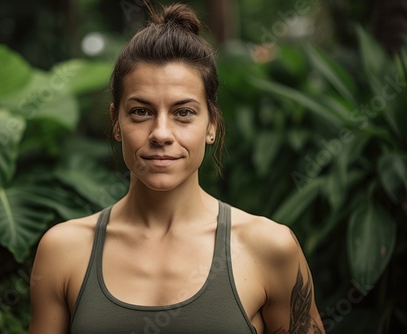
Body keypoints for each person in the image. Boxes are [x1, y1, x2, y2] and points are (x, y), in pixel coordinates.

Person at [28, 2, 325, 333]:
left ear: (211, 125)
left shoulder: (269, 248)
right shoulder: (64, 250)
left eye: (183, 113)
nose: (161, 134)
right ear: (116, 122)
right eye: (141, 112)